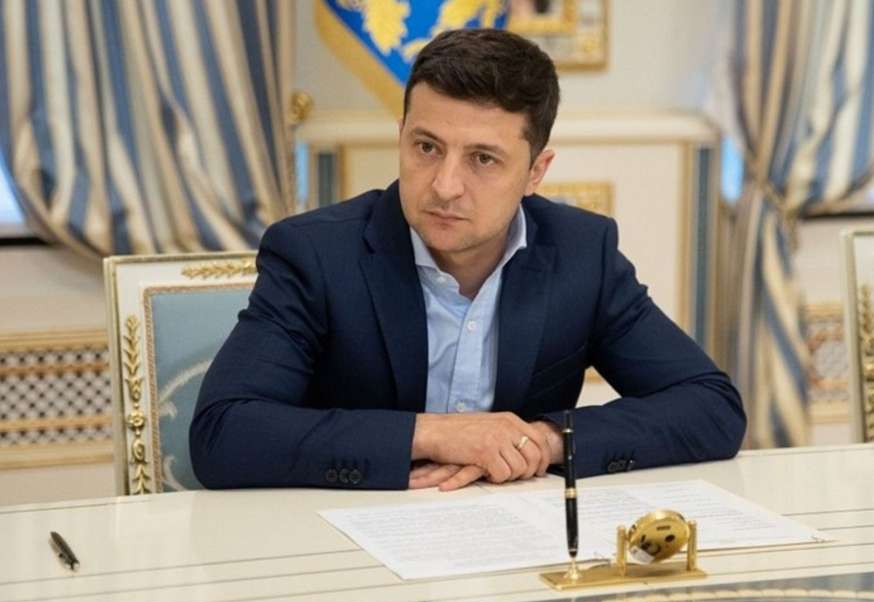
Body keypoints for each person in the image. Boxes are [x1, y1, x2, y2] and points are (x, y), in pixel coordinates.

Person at [190, 28, 745, 492]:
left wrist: (546, 440)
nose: (445, 185)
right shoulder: (315, 254)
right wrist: (433, 434)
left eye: (483, 159)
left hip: (513, 539)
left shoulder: (581, 253)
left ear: (535, 172)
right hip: (349, 539)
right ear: (400, 138)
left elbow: (710, 406)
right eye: (426, 147)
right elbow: (223, 432)